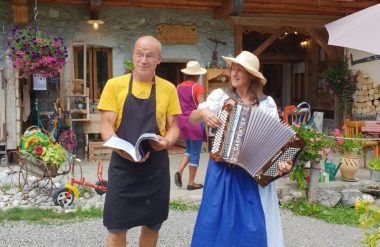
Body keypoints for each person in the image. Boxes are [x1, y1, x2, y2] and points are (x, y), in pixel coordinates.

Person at [189, 51, 292, 247]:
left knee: (252, 226)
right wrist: (204, 112)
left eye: (240, 70)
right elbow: (191, 118)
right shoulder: (220, 96)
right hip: (221, 171)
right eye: (232, 69)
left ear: (251, 76)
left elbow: (275, 140)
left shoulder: (266, 104)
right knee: (214, 220)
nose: (234, 74)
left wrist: (282, 162)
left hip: (250, 174)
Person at [98, 35, 181, 247]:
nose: (143, 60)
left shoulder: (168, 88)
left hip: (155, 168)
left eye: (150, 56)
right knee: (116, 228)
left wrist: (167, 142)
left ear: (159, 59)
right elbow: (107, 126)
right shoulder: (114, 85)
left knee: (152, 226)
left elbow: (174, 127)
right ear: (133, 56)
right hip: (122, 165)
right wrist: (120, 149)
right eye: (139, 54)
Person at [174, 61, 207, 191]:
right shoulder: (198, 87)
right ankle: (191, 182)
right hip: (195, 121)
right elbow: (202, 106)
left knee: (188, 148)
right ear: (198, 74)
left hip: (182, 121)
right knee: (195, 152)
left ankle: (180, 171)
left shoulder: (178, 87)